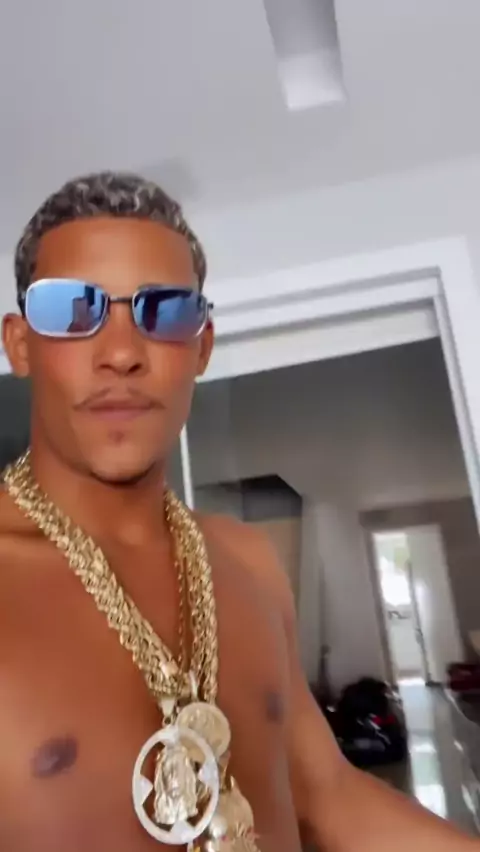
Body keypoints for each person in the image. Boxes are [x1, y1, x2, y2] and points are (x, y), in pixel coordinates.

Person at [0, 172, 476, 852]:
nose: (122, 353)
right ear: (20, 343)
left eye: (164, 311)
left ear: (201, 347)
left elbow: (327, 798)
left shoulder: (248, 561)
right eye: (73, 309)